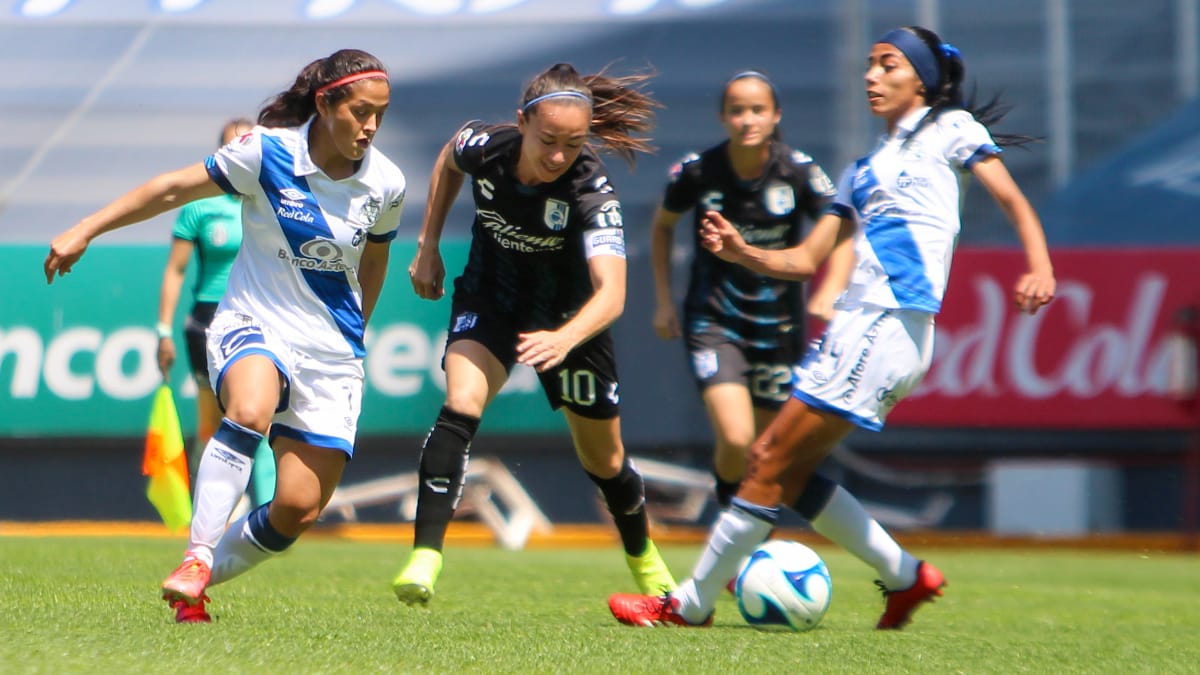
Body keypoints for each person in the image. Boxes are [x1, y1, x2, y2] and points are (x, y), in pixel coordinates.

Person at [609, 25, 1056, 630]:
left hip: (887, 324)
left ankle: (687, 607)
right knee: (787, 474)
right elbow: (805, 259)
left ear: (921, 79)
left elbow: (1013, 200)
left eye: (888, 64)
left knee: (765, 457)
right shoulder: (862, 169)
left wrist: (1039, 265)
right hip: (859, 326)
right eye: (869, 65)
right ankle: (906, 577)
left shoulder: (950, 128)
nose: (871, 76)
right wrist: (743, 252)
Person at [45, 49, 407, 623]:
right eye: (360, 112)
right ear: (325, 102)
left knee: (297, 507)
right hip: (252, 320)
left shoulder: (387, 183)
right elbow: (170, 189)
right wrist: (85, 228)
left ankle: (198, 583)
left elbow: (375, 263)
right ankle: (196, 555)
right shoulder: (267, 151)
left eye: (380, 116)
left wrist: (356, 333)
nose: (370, 127)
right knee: (249, 409)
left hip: (332, 348)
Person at [391, 62, 676, 606]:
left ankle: (644, 560)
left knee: (605, 462)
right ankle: (425, 557)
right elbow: (449, 158)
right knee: (461, 402)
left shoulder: (591, 188)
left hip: (571, 319)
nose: (558, 157)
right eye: (548, 141)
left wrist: (564, 339)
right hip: (491, 298)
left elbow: (612, 295)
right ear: (522, 122)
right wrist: (427, 245)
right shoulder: (487, 146)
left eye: (572, 144)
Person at [649, 70, 841, 510]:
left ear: (775, 116)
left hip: (779, 329)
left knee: (764, 453)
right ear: (722, 117)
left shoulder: (800, 171)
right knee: (736, 438)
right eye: (737, 110)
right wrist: (662, 301)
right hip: (715, 321)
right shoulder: (699, 171)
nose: (747, 120)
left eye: (757, 110)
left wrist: (831, 285)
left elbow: (846, 227)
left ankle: (751, 548)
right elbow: (662, 226)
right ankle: (730, 532)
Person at [155, 117, 277, 509]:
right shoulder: (202, 208)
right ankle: (218, 505)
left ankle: (269, 510)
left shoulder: (275, 203)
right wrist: (163, 330)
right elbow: (175, 271)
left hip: (260, 316)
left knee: (262, 417)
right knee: (214, 421)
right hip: (208, 320)